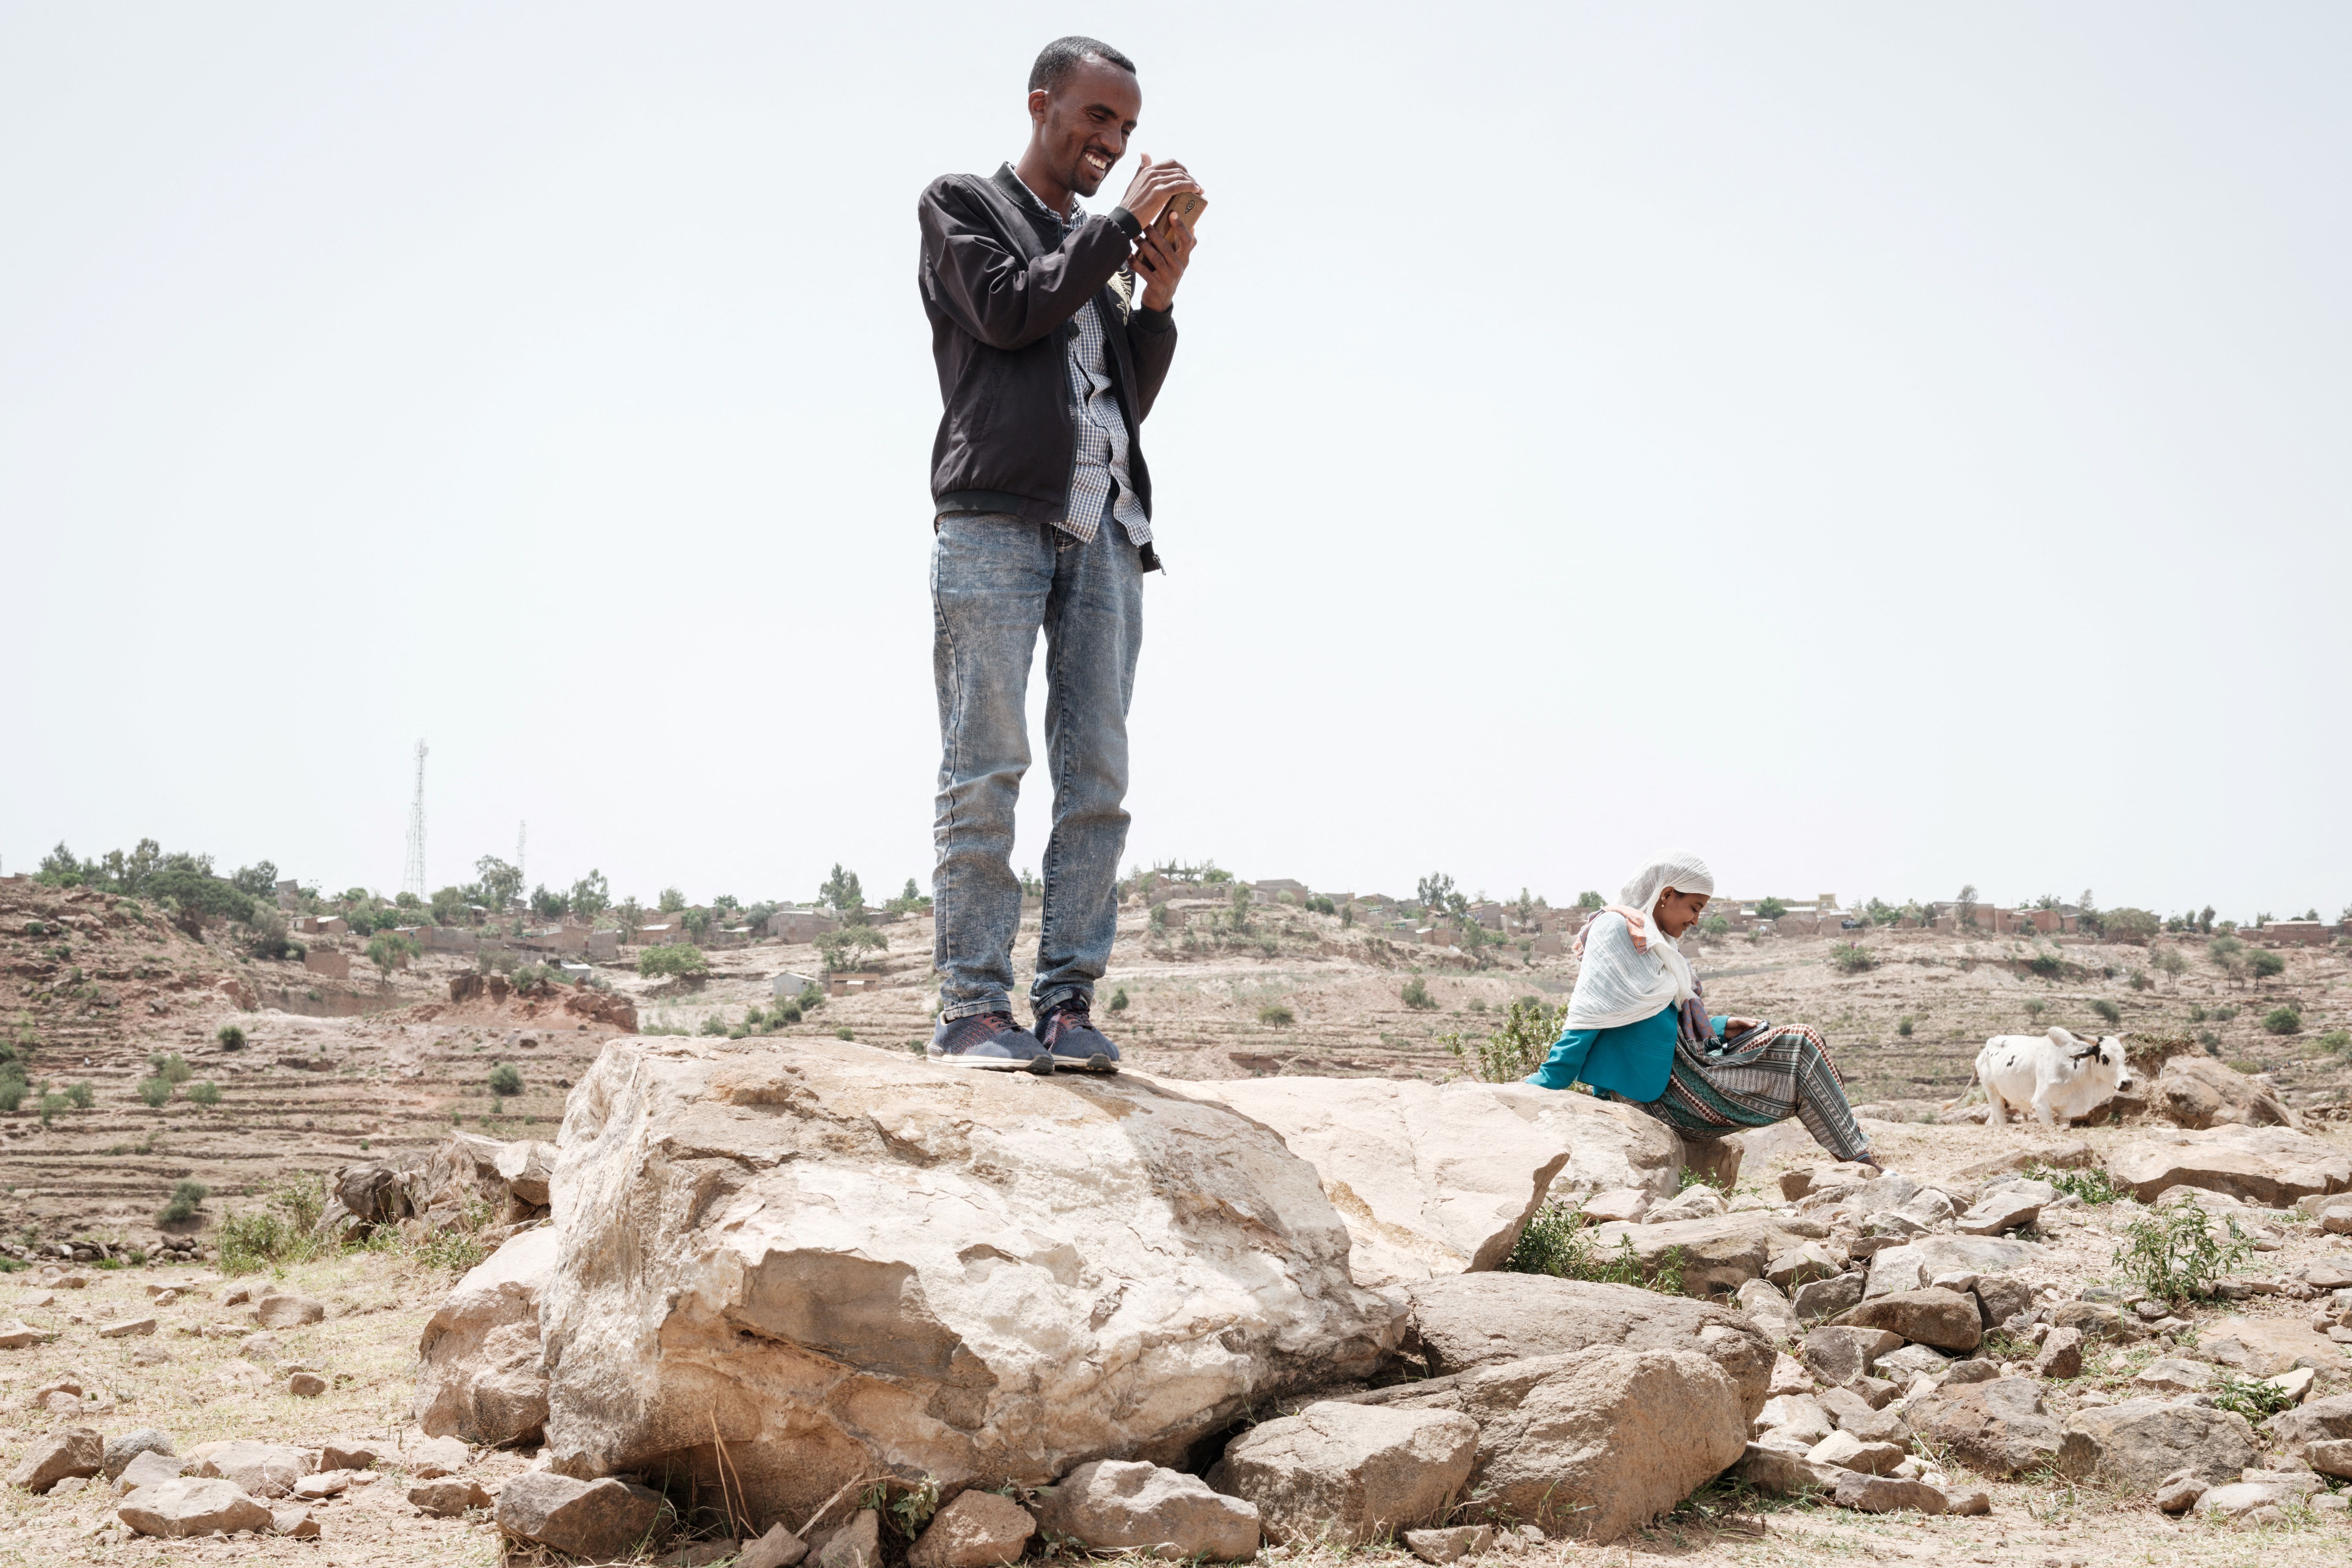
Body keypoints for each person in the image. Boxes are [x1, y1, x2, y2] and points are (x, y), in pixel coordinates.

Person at [915, 37, 1201, 1074]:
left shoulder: (1097, 247)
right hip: (995, 518)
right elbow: (1006, 312)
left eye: (1125, 129)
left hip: (1109, 527)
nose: (1112, 143)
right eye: (1096, 119)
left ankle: (1068, 1006)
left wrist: (1156, 299)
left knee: (1098, 782)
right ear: (1042, 105)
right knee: (984, 767)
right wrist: (1119, 227)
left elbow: (1120, 394)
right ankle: (973, 1010)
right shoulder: (961, 206)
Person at [1525, 850, 1875, 1165]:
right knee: (1800, 1049)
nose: (1696, 920)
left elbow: (1658, 1011)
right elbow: (1591, 1012)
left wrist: (1722, 1026)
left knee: (1802, 1038)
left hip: (1690, 1070)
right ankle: (1860, 1163)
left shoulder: (1657, 940)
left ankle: (1856, 1155)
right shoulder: (1616, 929)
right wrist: (1545, 1084)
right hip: (1662, 1095)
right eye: (1694, 907)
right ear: (1665, 895)